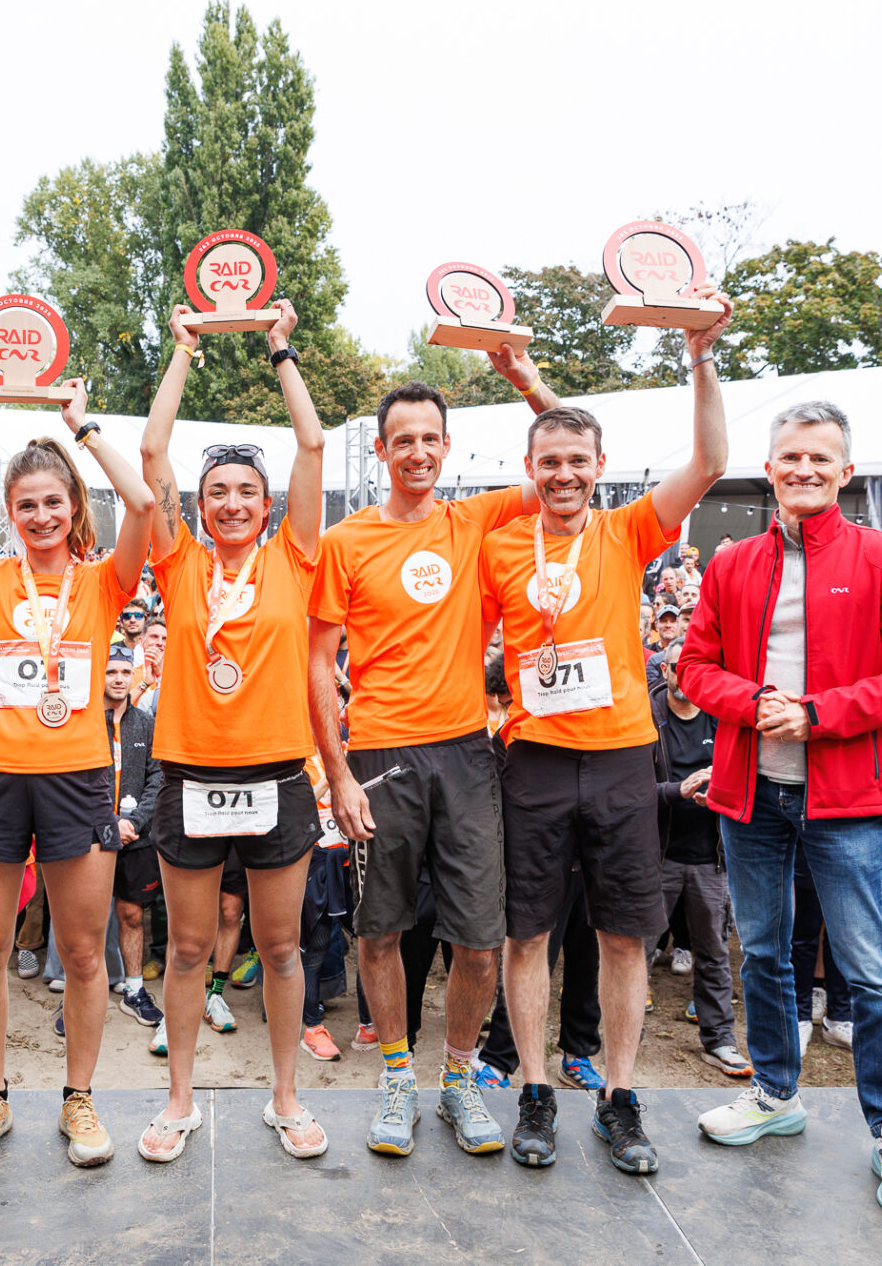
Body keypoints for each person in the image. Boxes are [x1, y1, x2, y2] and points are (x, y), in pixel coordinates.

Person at [680, 399, 882, 1219]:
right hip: (751, 791)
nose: (803, 470)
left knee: (866, 967)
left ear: (845, 472)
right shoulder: (731, 566)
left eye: (819, 459)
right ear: (769, 468)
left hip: (849, 797)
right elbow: (693, 666)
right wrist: (755, 700)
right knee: (760, 952)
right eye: (789, 457)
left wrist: (820, 714)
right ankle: (774, 1094)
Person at [482, 296, 728, 1175]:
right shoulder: (503, 545)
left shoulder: (628, 531)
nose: (562, 474)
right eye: (548, 461)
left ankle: (620, 1096)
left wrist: (699, 355)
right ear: (529, 467)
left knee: (624, 933)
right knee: (528, 934)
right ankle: (535, 1090)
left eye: (577, 461)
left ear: (600, 468)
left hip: (624, 756)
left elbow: (710, 460)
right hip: (535, 760)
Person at [307, 346, 564, 1161]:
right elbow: (318, 662)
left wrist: (523, 375)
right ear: (380, 451)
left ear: (446, 447)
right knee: (379, 931)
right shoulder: (345, 541)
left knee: (480, 938)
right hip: (381, 753)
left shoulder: (476, 520)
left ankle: (455, 1079)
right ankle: (394, 1075)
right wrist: (339, 770)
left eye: (430, 438)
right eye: (402, 439)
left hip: (464, 753)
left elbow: (567, 457)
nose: (418, 451)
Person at [0, 376, 154, 1170]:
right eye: (27, 506)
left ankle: (79, 1100)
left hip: (77, 779)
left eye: (55, 503)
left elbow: (148, 508)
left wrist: (81, 429)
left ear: (73, 508)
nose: (43, 517)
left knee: (86, 956)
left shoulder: (102, 582)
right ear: (11, 515)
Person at [131, 299, 330, 1163]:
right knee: (184, 949)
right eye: (219, 492)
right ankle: (180, 1100)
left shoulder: (296, 553)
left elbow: (315, 445)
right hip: (187, 775)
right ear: (202, 505)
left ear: (268, 501)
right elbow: (149, 455)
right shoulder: (176, 563)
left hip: (278, 776)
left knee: (281, 948)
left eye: (248, 490)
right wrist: (181, 352)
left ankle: (285, 1098)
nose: (233, 503)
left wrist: (280, 351)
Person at [653, 637, 751, 1079]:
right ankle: (620, 1039)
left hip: (710, 858)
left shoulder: (722, 718)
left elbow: (748, 776)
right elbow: (629, 791)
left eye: (692, 668)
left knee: (712, 953)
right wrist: (678, 790)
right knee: (632, 954)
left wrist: (721, 791)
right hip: (656, 857)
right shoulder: (648, 719)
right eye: (676, 668)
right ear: (666, 672)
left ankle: (719, 1040)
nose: (684, 676)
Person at [101, 645, 163, 1033]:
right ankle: (78, 997)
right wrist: (108, 820)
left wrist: (134, 820)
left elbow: (159, 776)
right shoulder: (84, 721)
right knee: (87, 921)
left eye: (126, 672)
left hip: (137, 836)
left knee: (132, 915)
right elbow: (74, 780)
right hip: (93, 834)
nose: (119, 679)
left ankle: (135, 989)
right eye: (111, 672)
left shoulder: (146, 722)